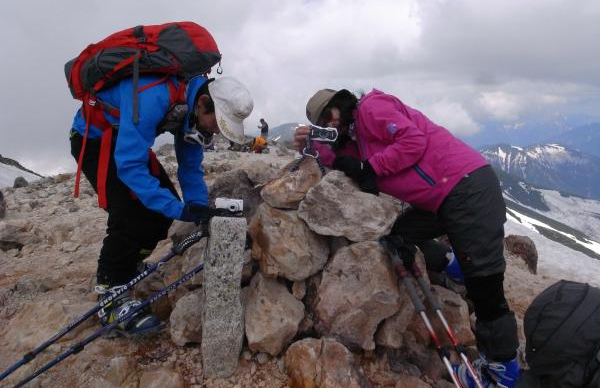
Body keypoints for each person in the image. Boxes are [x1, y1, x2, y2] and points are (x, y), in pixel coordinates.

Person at [294, 88, 520, 388]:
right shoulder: (357, 140)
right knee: (397, 234)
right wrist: (312, 146)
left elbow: (413, 141)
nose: (329, 122)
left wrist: (370, 167)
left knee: (486, 285)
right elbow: (345, 164)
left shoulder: (370, 108)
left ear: (340, 103)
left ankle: (502, 372)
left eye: (328, 114)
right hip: (440, 200)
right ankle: (456, 269)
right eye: (322, 123)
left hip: (467, 188)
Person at [70, 75, 253, 336]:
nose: (216, 131)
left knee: (160, 215)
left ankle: (128, 268)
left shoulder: (190, 109)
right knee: (130, 213)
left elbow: (190, 165)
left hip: (126, 139)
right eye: (217, 123)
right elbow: (130, 167)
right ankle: (111, 296)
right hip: (95, 138)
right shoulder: (154, 97)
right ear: (203, 103)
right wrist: (179, 209)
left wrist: (197, 206)